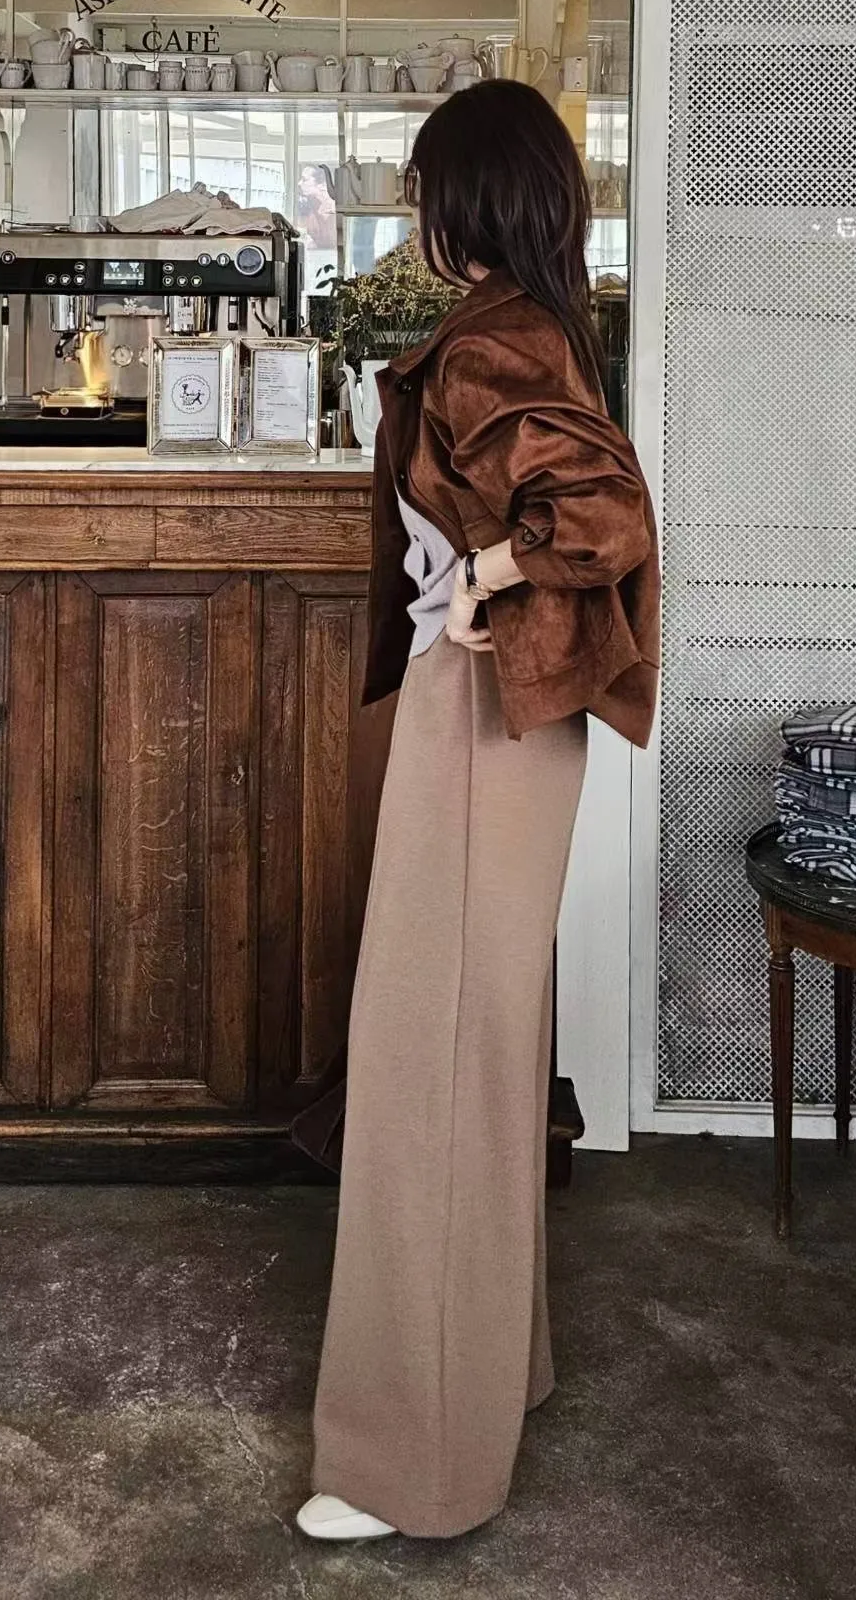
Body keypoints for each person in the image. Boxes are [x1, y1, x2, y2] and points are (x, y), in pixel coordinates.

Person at [296, 79, 660, 1544]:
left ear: (467, 200)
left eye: (426, 186)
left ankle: (413, 1466)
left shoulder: (496, 337)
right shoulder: (536, 322)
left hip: (484, 711)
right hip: (511, 718)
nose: (415, 209)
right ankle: (491, 1377)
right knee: (478, 1051)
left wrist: (483, 583)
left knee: (429, 1064)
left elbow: (604, 515)